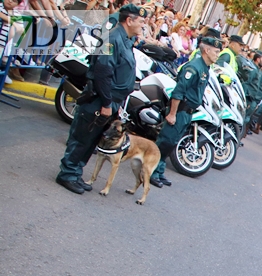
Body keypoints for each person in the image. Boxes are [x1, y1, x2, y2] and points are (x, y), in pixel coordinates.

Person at [55, 4, 147, 194]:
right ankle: (67, 174)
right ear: (129, 20)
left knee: (91, 139)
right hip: (100, 99)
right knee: (82, 137)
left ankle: (75, 173)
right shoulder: (112, 39)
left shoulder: (125, 39)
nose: (143, 25)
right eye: (141, 21)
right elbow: (103, 73)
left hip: (112, 100)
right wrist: (106, 102)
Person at [149, 31, 221, 187]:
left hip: (188, 112)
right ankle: (151, 171)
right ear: (206, 50)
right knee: (165, 141)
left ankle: (159, 172)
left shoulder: (205, 68)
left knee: (172, 143)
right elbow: (178, 92)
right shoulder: (194, 67)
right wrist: (172, 114)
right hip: (180, 110)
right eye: (216, 51)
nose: (218, 55)